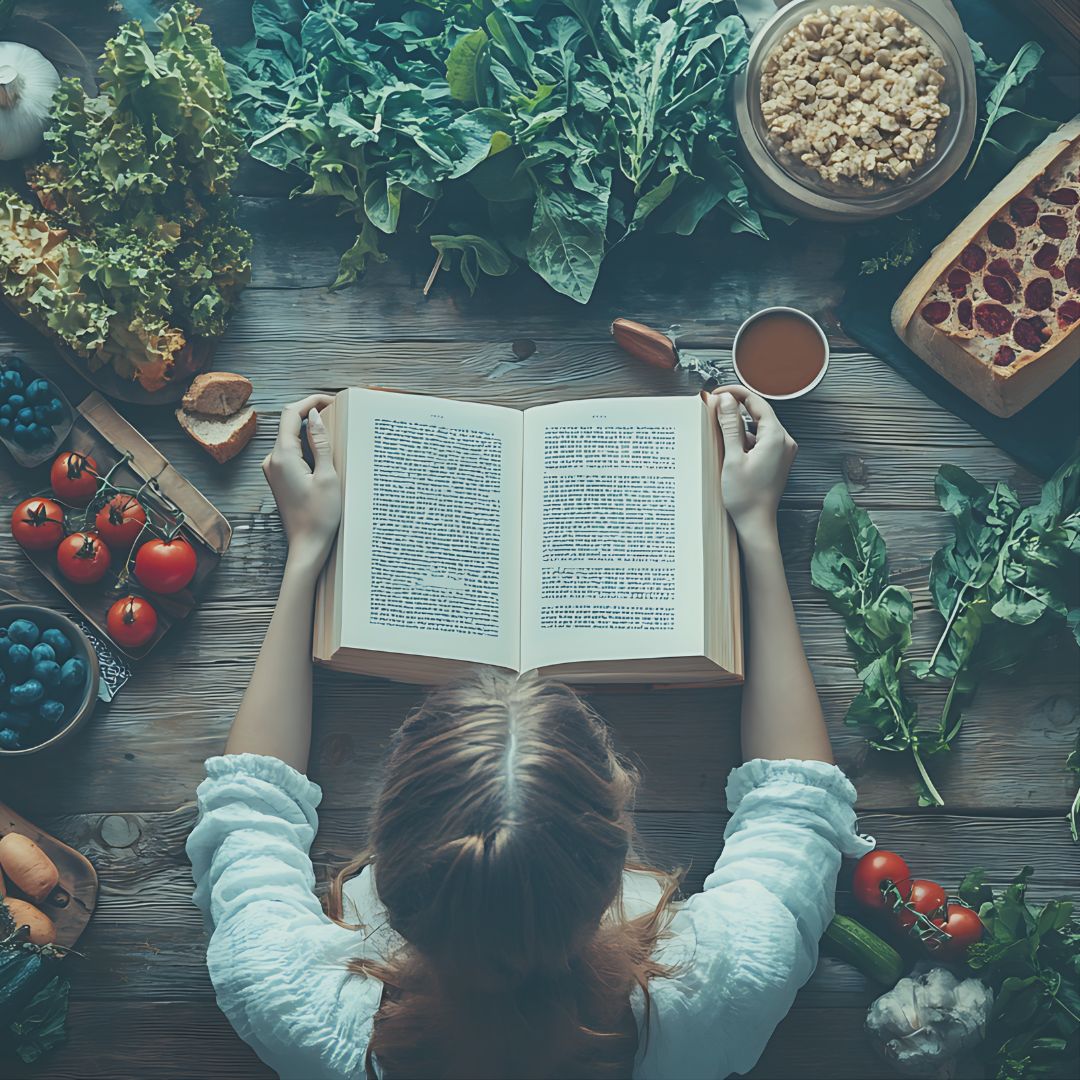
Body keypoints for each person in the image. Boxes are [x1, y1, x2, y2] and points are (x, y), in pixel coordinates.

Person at [188, 387, 872, 1080]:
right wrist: (757, 527)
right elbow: (799, 808)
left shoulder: (293, 1006)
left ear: (388, 862)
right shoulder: (716, 995)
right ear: (613, 868)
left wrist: (307, 551)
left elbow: (249, 811)